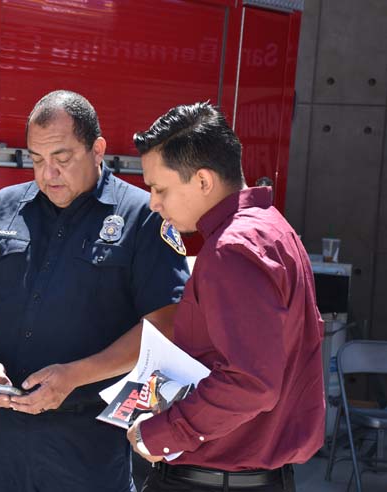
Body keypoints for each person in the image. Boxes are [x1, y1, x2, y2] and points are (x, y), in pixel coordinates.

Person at [0, 90, 190, 492]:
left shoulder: (143, 217)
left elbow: (167, 321)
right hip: (2, 441)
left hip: (87, 441)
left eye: (62, 159)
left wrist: (74, 377)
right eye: (37, 160)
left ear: (97, 149)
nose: (48, 174)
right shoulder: (3, 208)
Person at [128, 102, 324, 492]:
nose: (153, 202)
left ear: (202, 181)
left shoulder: (231, 248)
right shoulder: (273, 229)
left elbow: (251, 382)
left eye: (159, 188)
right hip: (249, 476)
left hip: (214, 479)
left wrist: (163, 432)